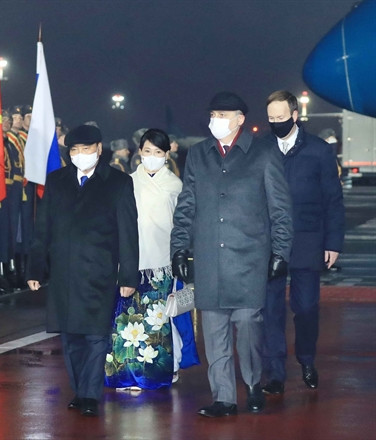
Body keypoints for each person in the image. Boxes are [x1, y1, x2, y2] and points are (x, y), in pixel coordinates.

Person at [171, 91, 293, 418]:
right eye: (213, 115)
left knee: (248, 323)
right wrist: (179, 247)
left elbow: (280, 209)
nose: (216, 120)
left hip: (249, 258)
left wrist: (280, 251)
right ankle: (223, 398)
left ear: (240, 119)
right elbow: (186, 206)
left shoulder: (264, 153)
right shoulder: (199, 154)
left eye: (223, 115)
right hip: (209, 259)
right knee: (214, 332)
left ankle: (253, 383)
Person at [26, 124, 139, 417]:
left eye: (86, 149)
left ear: (99, 149)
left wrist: (128, 276)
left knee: (95, 335)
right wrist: (35, 268)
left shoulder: (118, 182)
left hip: (100, 272)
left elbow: (128, 233)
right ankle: (80, 391)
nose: (80, 154)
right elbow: (43, 228)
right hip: (64, 273)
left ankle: (90, 394)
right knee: (71, 336)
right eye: (74, 150)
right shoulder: (57, 180)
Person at [262, 90, 345, 395]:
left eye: (281, 117)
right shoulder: (261, 149)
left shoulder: (319, 151)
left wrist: (333, 242)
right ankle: (274, 373)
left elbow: (333, 200)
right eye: (271, 119)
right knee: (270, 310)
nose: (276, 123)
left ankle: (307, 359)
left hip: (308, 240)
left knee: (307, 307)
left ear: (295, 115)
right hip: (269, 242)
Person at [104, 128, 198, 391]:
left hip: (164, 263)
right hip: (133, 260)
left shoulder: (175, 185)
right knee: (130, 319)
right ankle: (128, 373)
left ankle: (167, 368)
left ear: (166, 154)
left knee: (162, 318)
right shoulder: (127, 182)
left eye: (158, 152)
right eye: (147, 151)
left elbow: (184, 224)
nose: (152, 156)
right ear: (140, 152)